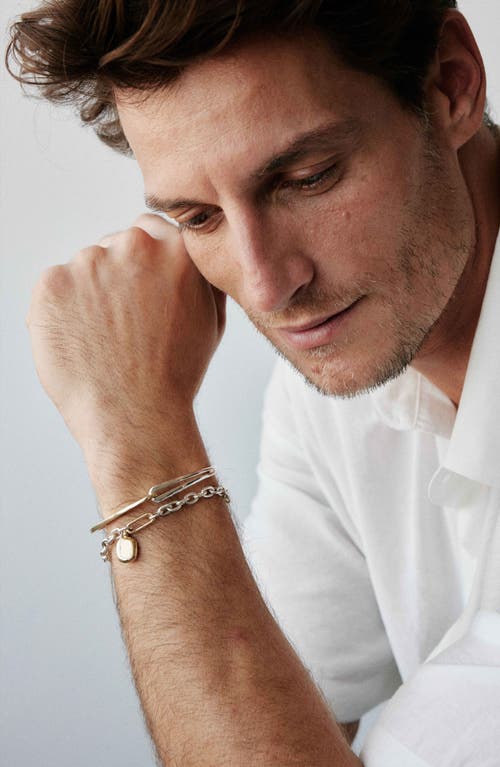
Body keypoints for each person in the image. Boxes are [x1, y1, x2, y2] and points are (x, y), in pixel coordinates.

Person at [6, 1, 500, 764]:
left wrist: (140, 439)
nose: (267, 288)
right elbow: (256, 721)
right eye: (199, 218)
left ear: (451, 83)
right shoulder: (336, 381)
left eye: (307, 177)